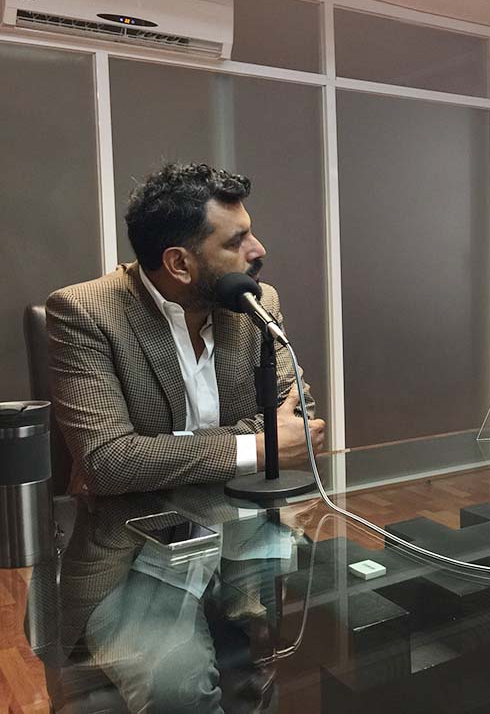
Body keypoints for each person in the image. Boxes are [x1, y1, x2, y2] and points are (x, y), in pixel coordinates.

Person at [47, 162, 326, 495]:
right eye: (236, 242)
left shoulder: (254, 300)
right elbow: (108, 462)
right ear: (179, 264)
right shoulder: (86, 312)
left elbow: (298, 418)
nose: (258, 249)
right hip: (134, 519)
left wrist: (158, 449)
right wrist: (257, 448)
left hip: (242, 510)